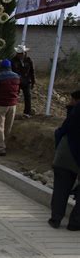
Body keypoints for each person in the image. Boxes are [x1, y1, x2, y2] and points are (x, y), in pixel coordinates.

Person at [48, 90, 80, 231]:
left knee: (61, 188)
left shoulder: (73, 114)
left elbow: (61, 132)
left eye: (72, 100)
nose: (70, 102)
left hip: (65, 155)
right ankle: (75, 223)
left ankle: (56, 219)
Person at [0, 59, 21, 156]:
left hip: (1, 104)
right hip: (13, 105)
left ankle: (0, 148)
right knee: (8, 126)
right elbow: (18, 90)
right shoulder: (17, 76)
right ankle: (2, 143)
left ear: (1, 67)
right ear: (10, 67)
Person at [11, 45, 35, 118]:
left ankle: (27, 112)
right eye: (18, 53)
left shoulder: (28, 60)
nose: (20, 55)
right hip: (17, 81)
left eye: (21, 53)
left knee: (27, 96)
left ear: (24, 53)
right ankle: (11, 112)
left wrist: (33, 81)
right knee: (14, 96)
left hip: (26, 81)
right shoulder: (13, 60)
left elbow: (32, 71)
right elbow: (13, 71)